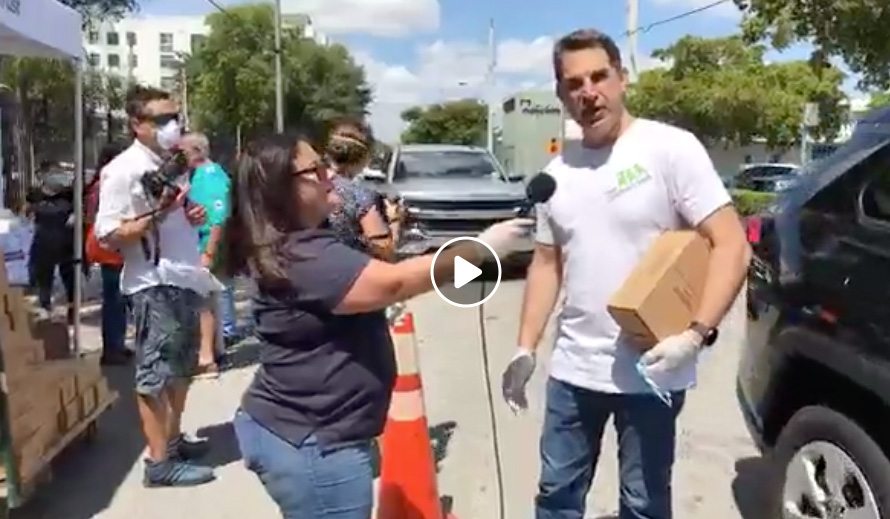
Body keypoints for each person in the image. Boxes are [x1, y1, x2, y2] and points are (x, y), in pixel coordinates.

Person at [500, 29, 751, 519]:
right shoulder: (559, 172)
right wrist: (525, 347)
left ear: (622, 79)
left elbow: (732, 245)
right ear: (561, 94)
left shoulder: (670, 149)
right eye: (574, 83)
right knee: (556, 497)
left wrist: (695, 335)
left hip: (653, 370)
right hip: (573, 372)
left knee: (642, 503)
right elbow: (547, 264)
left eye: (599, 76)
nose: (588, 91)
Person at [223, 132, 530, 519]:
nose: (329, 174)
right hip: (314, 444)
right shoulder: (304, 255)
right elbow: (397, 282)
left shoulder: (298, 244)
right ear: (284, 188)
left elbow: (382, 285)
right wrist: (482, 250)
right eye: (315, 169)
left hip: (303, 433)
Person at [94, 85, 218, 487]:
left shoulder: (169, 164)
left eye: (175, 117)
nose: (174, 126)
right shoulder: (123, 171)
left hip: (182, 277)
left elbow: (176, 215)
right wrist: (157, 214)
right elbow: (108, 234)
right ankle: (159, 463)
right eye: (163, 119)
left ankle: (173, 440)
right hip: (153, 283)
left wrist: (189, 214)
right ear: (137, 124)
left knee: (181, 369)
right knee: (156, 374)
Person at [180, 131, 232, 376]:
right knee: (208, 301)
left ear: (197, 151)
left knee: (202, 302)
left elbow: (217, 219)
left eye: (184, 152)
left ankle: (206, 357)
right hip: (198, 246)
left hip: (205, 248)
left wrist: (209, 253)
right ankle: (214, 349)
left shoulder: (211, 177)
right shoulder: (199, 176)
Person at [325, 116, 401, 259]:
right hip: (346, 272)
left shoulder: (306, 184)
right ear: (365, 159)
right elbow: (384, 249)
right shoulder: (359, 195)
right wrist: (394, 220)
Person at [85, 141, 131, 365]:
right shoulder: (111, 182)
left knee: (116, 299)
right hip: (114, 244)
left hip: (106, 244)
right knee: (115, 299)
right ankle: (113, 348)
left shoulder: (96, 183)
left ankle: (116, 345)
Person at [27, 161, 76, 321]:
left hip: (66, 243)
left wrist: (76, 216)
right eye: (53, 172)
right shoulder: (35, 194)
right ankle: (45, 307)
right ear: (43, 176)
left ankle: (72, 311)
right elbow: (27, 211)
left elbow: (80, 210)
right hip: (43, 243)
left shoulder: (70, 194)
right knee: (44, 278)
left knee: (70, 280)